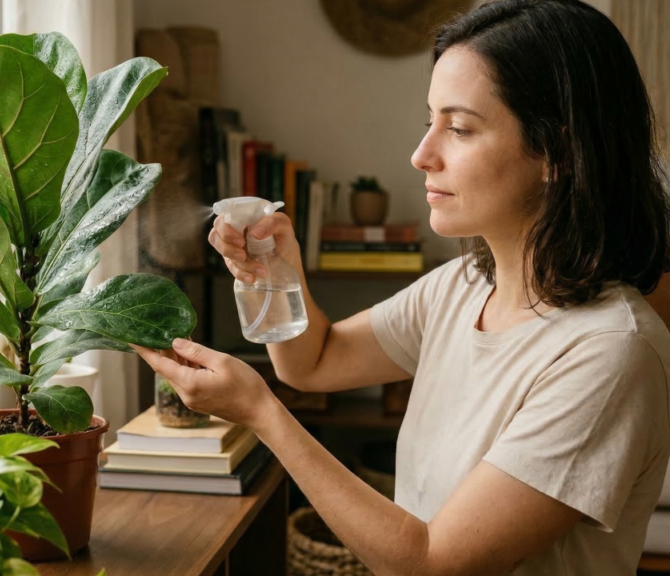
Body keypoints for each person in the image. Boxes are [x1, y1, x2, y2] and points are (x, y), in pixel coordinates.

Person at [131, 1, 670, 574]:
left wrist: (263, 415)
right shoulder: (463, 286)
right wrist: (277, 273)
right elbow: (314, 361)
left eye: (459, 128)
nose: (421, 155)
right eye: (429, 121)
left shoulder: (610, 353)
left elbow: (433, 564)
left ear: (557, 152)